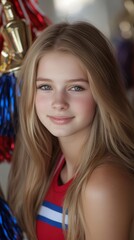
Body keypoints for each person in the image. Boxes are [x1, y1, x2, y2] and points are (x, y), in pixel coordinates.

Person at [8, 21, 134, 240]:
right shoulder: (51, 161)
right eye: (45, 87)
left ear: (101, 92)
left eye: (76, 87)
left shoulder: (103, 183)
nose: (59, 102)